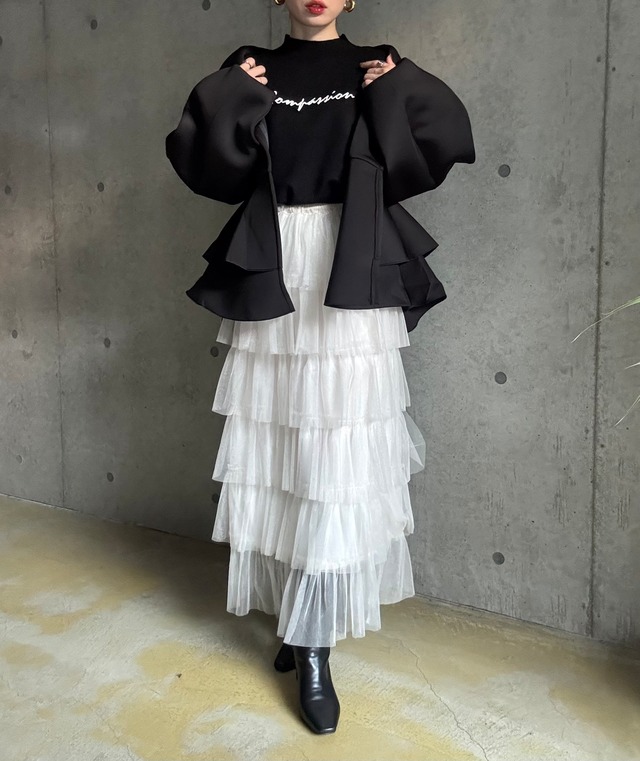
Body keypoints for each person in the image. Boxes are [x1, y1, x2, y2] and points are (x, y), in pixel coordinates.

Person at [165, 0, 475, 735]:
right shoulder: (251, 67)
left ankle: (312, 644)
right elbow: (208, 168)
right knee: (283, 445)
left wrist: (397, 88)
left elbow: (433, 149)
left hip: (350, 260)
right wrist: (232, 95)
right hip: (278, 259)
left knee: (337, 450)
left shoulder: (376, 65)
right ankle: (298, 618)